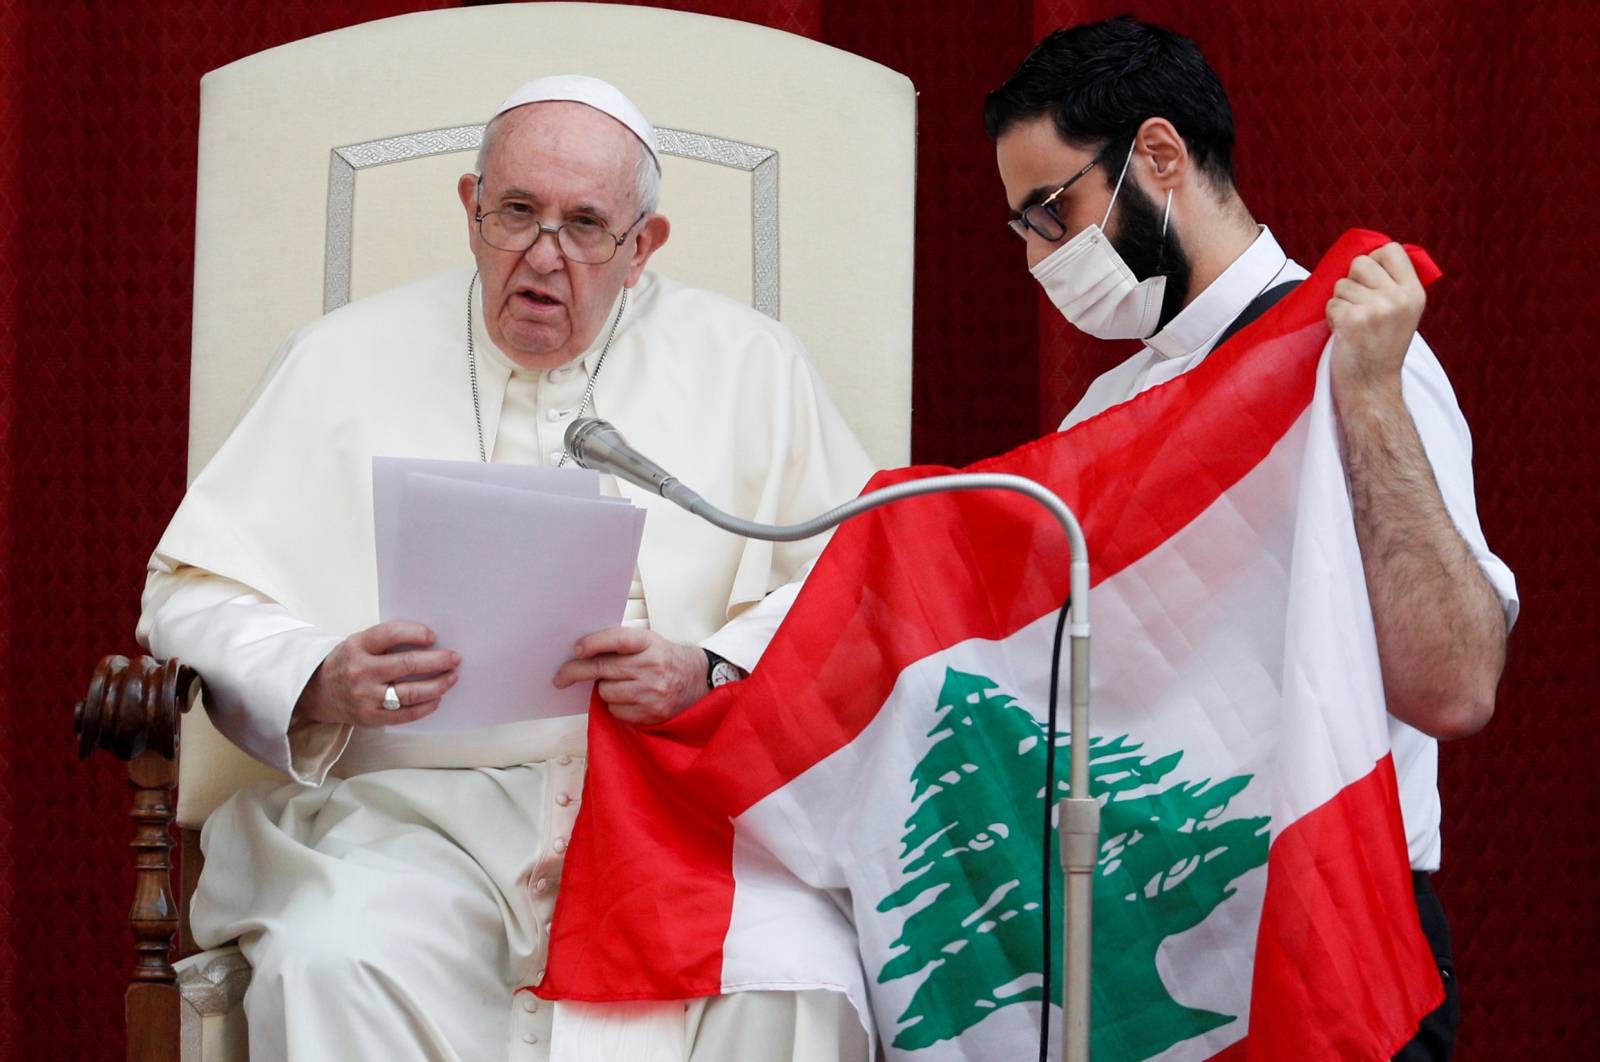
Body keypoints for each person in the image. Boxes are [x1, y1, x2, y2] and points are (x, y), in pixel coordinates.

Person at [138, 75, 875, 1062]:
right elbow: (194, 591)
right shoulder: (337, 359)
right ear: (469, 208)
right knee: (332, 956)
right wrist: (319, 673)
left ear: (643, 244)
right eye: (516, 213)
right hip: (407, 819)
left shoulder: (752, 366)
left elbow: (855, 586)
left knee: (799, 983)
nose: (541, 257)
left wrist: (710, 668)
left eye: (583, 226)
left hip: (681, 810)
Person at [984, 17, 1516, 1060]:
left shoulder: (1358, 353)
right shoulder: (1102, 410)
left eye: (1053, 211)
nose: (1042, 257)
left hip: (1324, 927)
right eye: (1023, 231)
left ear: (1158, 156)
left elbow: (1452, 684)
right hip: (1149, 946)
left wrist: (1363, 391)